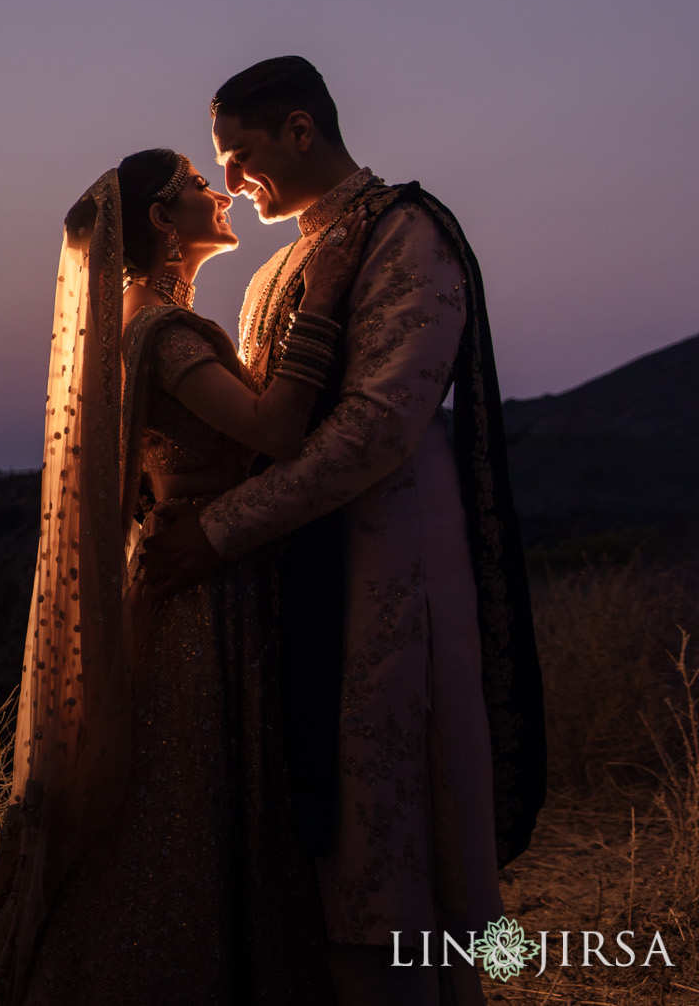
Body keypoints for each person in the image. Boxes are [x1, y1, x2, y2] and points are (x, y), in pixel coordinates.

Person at [140, 55, 546, 1006]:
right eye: (218, 169)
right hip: (298, 590)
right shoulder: (274, 271)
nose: (233, 185)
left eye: (238, 157)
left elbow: (378, 429)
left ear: (299, 129)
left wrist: (220, 530)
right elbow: (259, 438)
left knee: (401, 855)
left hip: (396, 577)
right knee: (328, 875)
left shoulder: (409, 233)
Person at [0, 147, 361, 1005]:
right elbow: (278, 430)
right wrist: (323, 303)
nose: (219, 194)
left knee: (184, 792)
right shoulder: (166, 331)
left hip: (194, 566)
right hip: (207, 590)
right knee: (189, 800)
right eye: (195, 185)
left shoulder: (142, 321)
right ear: (160, 219)